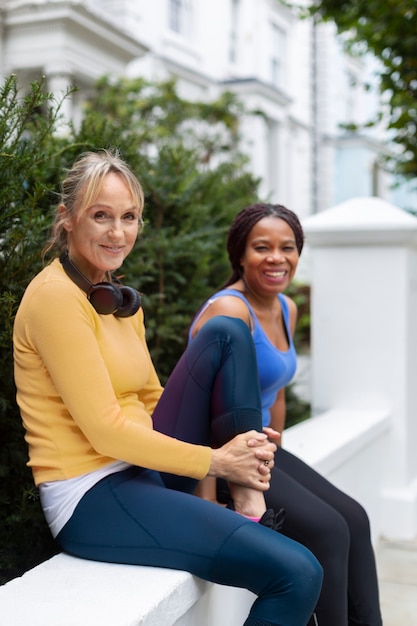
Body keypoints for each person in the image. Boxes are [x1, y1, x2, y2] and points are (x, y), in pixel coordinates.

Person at [13, 150, 323, 626]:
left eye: (129, 217)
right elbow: (106, 432)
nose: (118, 233)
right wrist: (217, 460)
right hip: (93, 495)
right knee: (297, 573)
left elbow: (151, 400)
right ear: (67, 219)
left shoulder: (117, 298)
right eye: (101, 216)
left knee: (228, 330)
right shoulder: (56, 298)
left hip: (145, 467)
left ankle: (246, 492)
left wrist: (234, 453)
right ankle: (239, 483)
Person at [189, 203, 383, 626]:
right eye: (262, 247)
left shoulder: (285, 308)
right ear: (240, 255)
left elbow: (274, 393)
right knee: (328, 530)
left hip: (262, 451)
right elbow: (196, 404)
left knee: (354, 518)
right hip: (224, 460)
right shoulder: (229, 310)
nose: (277, 258)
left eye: (288, 247)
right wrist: (206, 498)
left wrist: (285, 457)